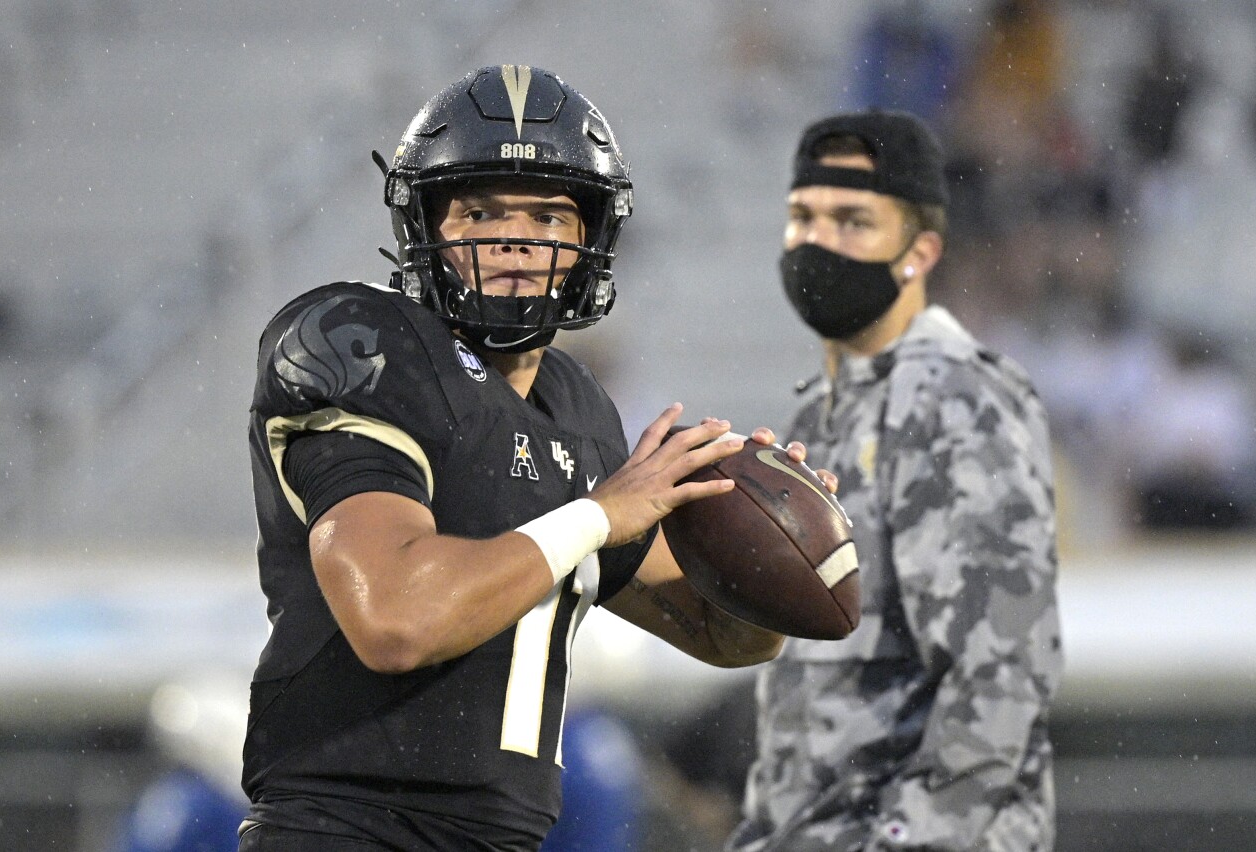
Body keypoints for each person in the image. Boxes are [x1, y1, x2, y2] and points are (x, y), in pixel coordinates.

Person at [238, 65, 840, 852]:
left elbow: (724, 636)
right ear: (425, 223)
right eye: (482, 211)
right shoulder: (366, 345)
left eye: (551, 216)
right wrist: (597, 514)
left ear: (593, 238)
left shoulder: (577, 409)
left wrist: (773, 541)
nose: (517, 239)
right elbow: (396, 619)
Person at [729, 110, 1063, 851]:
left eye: (853, 221)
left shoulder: (955, 401)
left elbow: (999, 682)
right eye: (802, 217)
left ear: (921, 251)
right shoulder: (822, 413)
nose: (818, 241)